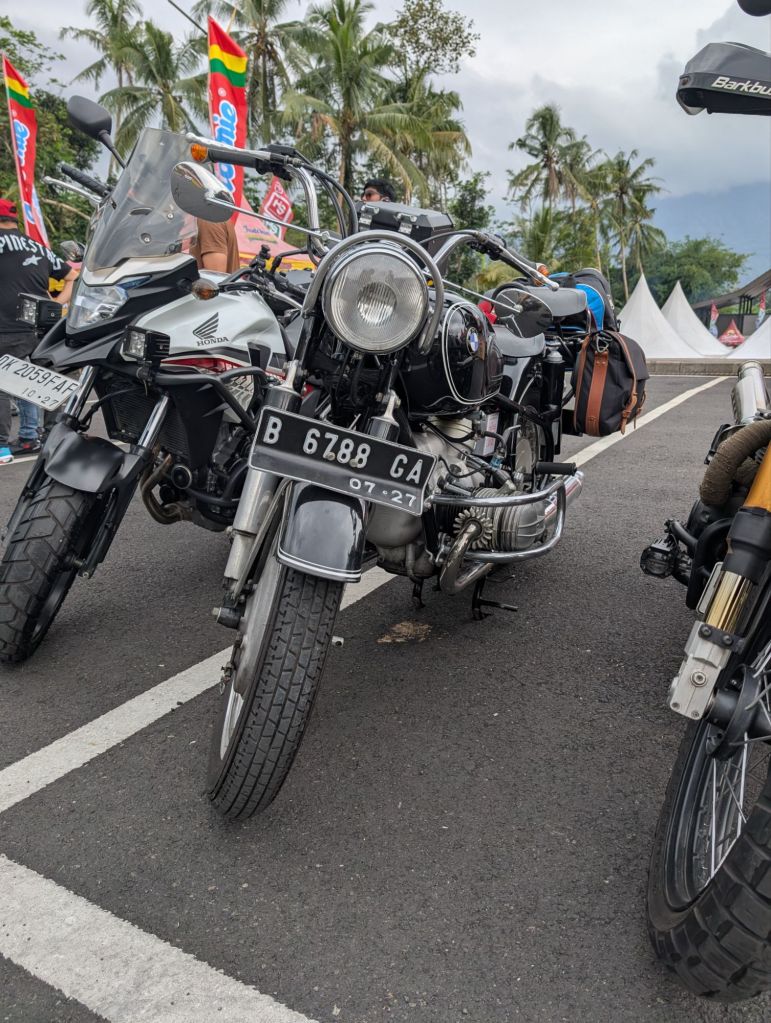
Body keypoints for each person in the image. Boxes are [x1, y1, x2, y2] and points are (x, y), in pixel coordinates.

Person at [0, 198, 77, 465]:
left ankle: (4, 445)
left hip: (7, 326)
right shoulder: (36, 246)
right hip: (41, 326)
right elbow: (72, 277)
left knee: (5, 383)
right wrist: (56, 305)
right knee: (36, 380)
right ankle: (37, 436)